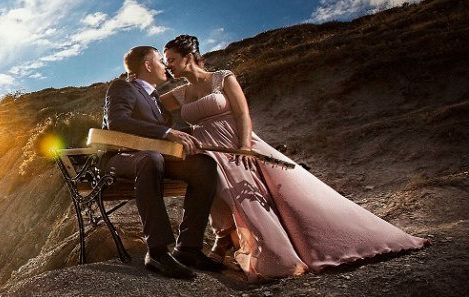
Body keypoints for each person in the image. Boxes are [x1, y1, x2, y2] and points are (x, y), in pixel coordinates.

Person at [159, 34, 427, 282]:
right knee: (216, 191)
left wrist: (243, 146)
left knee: (257, 195)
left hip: (235, 143)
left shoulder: (222, 78)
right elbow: (149, 106)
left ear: (189, 56)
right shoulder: (180, 94)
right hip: (207, 149)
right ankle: (225, 239)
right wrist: (165, 127)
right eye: (165, 61)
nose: (168, 65)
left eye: (171, 59)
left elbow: (242, 113)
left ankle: (273, 245)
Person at [102, 46, 224, 279]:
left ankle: (188, 248)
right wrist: (167, 131)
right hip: (120, 158)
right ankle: (157, 252)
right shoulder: (123, 87)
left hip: (155, 158)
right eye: (160, 60)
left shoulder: (155, 98)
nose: (165, 65)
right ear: (147, 65)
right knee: (151, 158)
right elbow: (117, 122)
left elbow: (163, 132)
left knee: (203, 165)